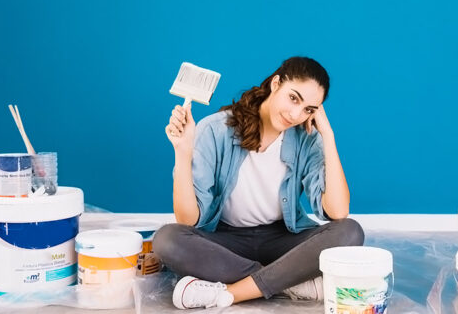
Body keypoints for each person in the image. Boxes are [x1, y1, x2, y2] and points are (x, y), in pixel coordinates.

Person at [153, 56, 364, 309]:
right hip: (225, 242)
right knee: (166, 239)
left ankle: (231, 292)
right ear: (276, 84)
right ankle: (290, 282)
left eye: (309, 109)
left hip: (282, 240)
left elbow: (338, 211)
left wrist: (328, 136)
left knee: (351, 231)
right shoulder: (215, 130)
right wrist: (183, 152)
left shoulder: (307, 139)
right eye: (293, 98)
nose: (296, 114)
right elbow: (187, 220)